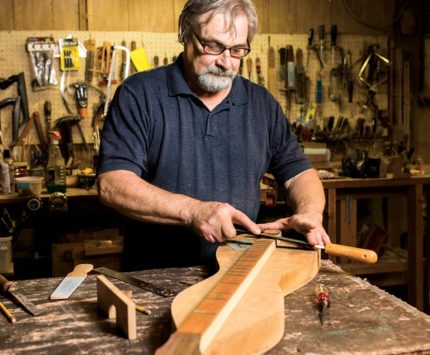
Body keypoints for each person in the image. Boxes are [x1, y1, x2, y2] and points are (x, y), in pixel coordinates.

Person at [96, 0, 330, 271]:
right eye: (214, 46)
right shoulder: (140, 94)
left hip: (238, 272)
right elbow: (112, 184)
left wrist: (310, 213)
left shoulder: (261, 104)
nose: (226, 62)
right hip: (156, 277)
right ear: (185, 34)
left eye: (237, 50)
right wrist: (194, 212)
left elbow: (299, 174)